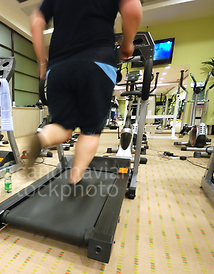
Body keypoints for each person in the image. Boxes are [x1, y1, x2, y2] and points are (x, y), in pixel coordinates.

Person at [28, 0, 142, 185]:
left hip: (58, 67)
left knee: (62, 127)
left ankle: (42, 137)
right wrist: (127, 44)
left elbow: (36, 22)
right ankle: (75, 179)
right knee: (90, 131)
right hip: (97, 61)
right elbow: (133, 9)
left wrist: (42, 61)